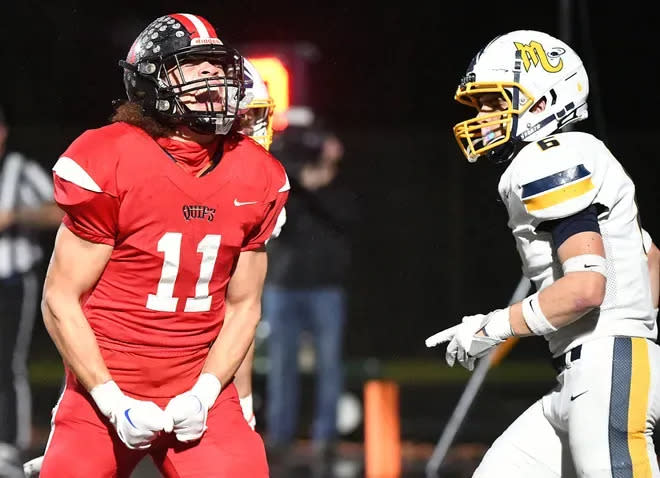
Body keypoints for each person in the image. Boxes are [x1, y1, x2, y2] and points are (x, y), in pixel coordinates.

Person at [37, 13, 288, 478]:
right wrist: (113, 402)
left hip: (201, 389)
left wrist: (206, 394)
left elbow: (244, 307)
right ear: (152, 81)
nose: (214, 77)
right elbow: (60, 299)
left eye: (218, 66)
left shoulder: (258, 174)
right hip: (103, 388)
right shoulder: (110, 156)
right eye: (197, 67)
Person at [426, 30, 660, 477]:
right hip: (587, 375)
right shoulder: (574, 154)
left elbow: (586, 288)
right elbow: (649, 257)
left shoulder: (551, 157)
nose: (485, 116)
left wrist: (490, 327)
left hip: (605, 368)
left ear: (541, 102)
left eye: (496, 102)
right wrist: (634, 332)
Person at [263, 117, 358, 463]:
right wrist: (301, 181)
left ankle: (325, 437)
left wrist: (321, 179)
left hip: (326, 289)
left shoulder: (340, 188)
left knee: (330, 364)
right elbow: (277, 217)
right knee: (281, 364)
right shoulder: (287, 186)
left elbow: (346, 218)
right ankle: (280, 435)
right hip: (283, 286)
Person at [0, 106, 64, 478]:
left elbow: (60, 210)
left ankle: (10, 441)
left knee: (8, 361)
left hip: (12, 280)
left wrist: (15, 216)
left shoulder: (19, 169)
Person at [233, 57, 280, 432]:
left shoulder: (263, 183)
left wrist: (243, 403)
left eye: (256, 115)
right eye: (243, 116)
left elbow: (242, 308)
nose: (254, 128)